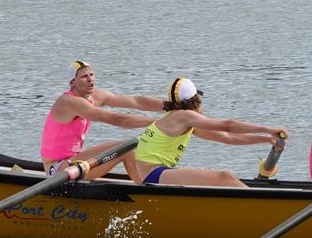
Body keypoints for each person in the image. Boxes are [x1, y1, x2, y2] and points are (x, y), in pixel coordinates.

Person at [123, 77, 287, 187]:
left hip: (153, 173)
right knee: (225, 177)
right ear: (195, 101)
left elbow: (228, 137)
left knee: (224, 178)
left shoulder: (179, 121)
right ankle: (264, 209)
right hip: (153, 175)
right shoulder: (185, 116)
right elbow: (227, 126)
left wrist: (265, 139)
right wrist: (268, 129)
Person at [41, 60, 163, 179]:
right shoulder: (68, 102)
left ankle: (149, 183)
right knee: (127, 148)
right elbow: (116, 119)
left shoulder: (96, 96)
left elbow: (137, 102)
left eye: (91, 74)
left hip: (75, 163)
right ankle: (147, 192)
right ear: (73, 82)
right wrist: (158, 123)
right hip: (57, 169)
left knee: (129, 148)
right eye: (84, 76)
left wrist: (170, 105)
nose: (90, 79)